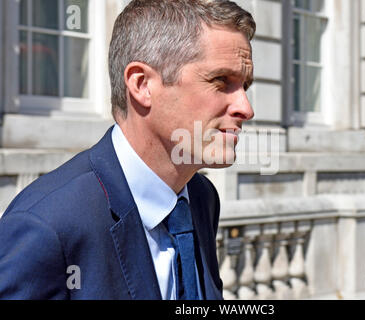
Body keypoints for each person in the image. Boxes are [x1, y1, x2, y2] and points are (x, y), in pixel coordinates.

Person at [0, 0, 255, 300]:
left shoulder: (201, 198)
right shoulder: (48, 226)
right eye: (220, 81)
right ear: (142, 84)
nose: (246, 109)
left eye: (245, 87)